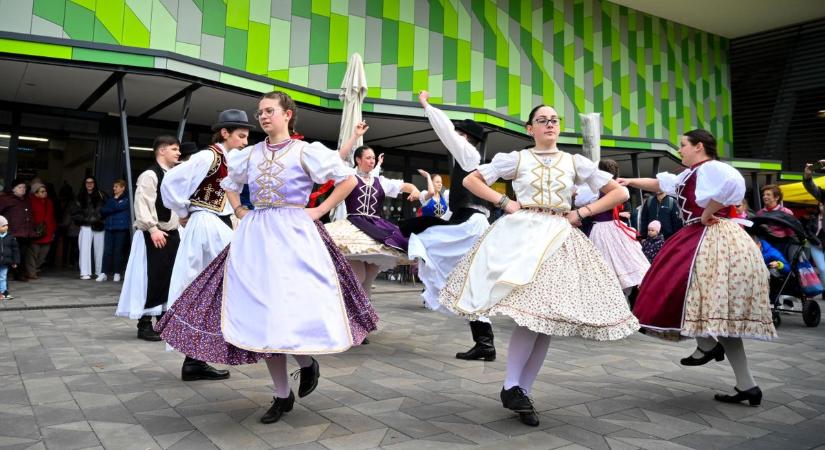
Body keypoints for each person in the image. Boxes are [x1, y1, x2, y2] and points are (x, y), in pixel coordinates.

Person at [156, 90, 377, 424]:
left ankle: (305, 363)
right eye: (260, 111)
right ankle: (282, 395)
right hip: (256, 235)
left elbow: (346, 179)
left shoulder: (305, 151)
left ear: (287, 115)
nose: (262, 116)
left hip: (294, 234)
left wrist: (319, 210)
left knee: (289, 311)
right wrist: (240, 208)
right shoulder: (251, 153)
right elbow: (230, 183)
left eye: (269, 110)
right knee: (263, 316)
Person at [438, 104, 639, 426]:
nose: (549, 124)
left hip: (559, 236)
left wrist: (582, 213)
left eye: (554, 120)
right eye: (542, 120)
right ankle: (513, 387)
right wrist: (504, 202)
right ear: (530, 128)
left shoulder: (575, 162)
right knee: (531, 318)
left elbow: (618, 193)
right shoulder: (517, 158)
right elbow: (472, 181)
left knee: (546, 319)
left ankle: (521, 391)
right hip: (522, 235)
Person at [620, 129, 776, 407]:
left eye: (683, 145)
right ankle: (747, 385)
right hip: (700, 237)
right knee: (714, 314)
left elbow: (732, 186)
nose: (680, 150)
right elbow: (659, 184)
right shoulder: (688, 174)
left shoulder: (713, 169)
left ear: (699, 146)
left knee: (683, 289)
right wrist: (629, 180)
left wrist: (707, 212)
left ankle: (707, 344)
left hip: (712, 238)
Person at [399, 91, 501, 362]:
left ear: (467, 138)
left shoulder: (468, 155)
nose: (455, 137)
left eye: (460, 134)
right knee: (469, 283)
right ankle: (485, 343)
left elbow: (445, 130)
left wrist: (426, 105)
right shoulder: (471, 161)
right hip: (470, 222)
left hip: (471, 224)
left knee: (424, 239)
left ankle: (484, 342)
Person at [160, 110, 253, 382]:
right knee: (206, 285)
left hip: (213, 224)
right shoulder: (208, 156)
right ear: (225, 133)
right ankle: (197, 357)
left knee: (205, 289)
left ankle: (195, 360)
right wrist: (183, 210)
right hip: (204, 224)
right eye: (241, 136)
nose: (245, 142)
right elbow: (171, 182)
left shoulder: (228, 160)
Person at [326, 122, 420, 309]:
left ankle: (363, 322)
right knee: (358, 276)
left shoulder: (381, 181)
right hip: (354, 226)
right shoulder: (349, 176)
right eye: (368, 158)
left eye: (374, 158)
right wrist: (354, 135)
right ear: (358, 160)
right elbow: (337, 160)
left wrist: (415, 188)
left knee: (368, 280)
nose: (372, 161)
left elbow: (403, 186)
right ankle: (344, 313)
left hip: (375, 229)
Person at [115, 136, 183, 342]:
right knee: (148, 277)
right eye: (174, 149)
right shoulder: (149, 175)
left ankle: (163, 322)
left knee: (168, 278)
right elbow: (142, 204)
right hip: (152, 234)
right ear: (161, 151)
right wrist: (153, 229)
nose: (178, 153)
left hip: (171, 233)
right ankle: (144, 324)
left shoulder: (172, 174)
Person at [587, 159, 650, 293]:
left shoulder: (595, 190)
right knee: (623, 258)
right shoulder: (620, 188)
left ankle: (611, 289)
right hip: (616, 226)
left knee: (604, 261)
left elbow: (582, 201)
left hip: (601, 227)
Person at [0, 180, 36, 281]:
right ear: (13, 189)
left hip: (25, 233)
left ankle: (18, 274)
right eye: (20, 187)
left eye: (24, 187)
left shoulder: (26, 201)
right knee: (10, 254)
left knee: (21, 255)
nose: (23, 189)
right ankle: (13, 274)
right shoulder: (6, 200)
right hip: (12, 232)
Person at [74, 177, 107, 280]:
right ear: (84, 184)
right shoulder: (79, 196)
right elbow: (75, 212)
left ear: (94, 183)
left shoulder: (102, 195)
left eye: (91, 182)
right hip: (86, 225)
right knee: (84, 250)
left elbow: (107, 209)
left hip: (99, 225)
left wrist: (102, 219)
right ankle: (84, 272)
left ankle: (99, 272)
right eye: (87, 182)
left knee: (100, 249)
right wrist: (83, 220)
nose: (89, 184)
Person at [99, 179, 131, 282]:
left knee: (118, 251)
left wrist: (111, 207)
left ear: (123, 187)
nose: (114, 189)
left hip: (121, 228)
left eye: (116, 187)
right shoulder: (111, 200)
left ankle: (117, 273)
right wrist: (112, 206)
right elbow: (103, 211)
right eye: (114, 187)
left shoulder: (127, 199)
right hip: (109, 227)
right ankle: (103, 273)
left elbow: (117, 207)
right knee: (107, 251)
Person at [28, 181, 56, 278]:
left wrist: (53, 231)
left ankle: (35, 269)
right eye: (42, 191)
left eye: (45, 191)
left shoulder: (49, 202)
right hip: (35, 232)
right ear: (35, 193)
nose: (45, 193)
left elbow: (52, 217)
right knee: (33, 254)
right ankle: (31, 272)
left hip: (47, 232)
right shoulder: (30, 202)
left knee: (43, 254)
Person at [0, 215, 20, 301]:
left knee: (3, 277)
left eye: (7, 225)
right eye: (3, 225)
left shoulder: (11, 237)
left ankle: (4, 292)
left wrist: (15, 261)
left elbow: (15, 250)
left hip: (5, 262)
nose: (6, 227)